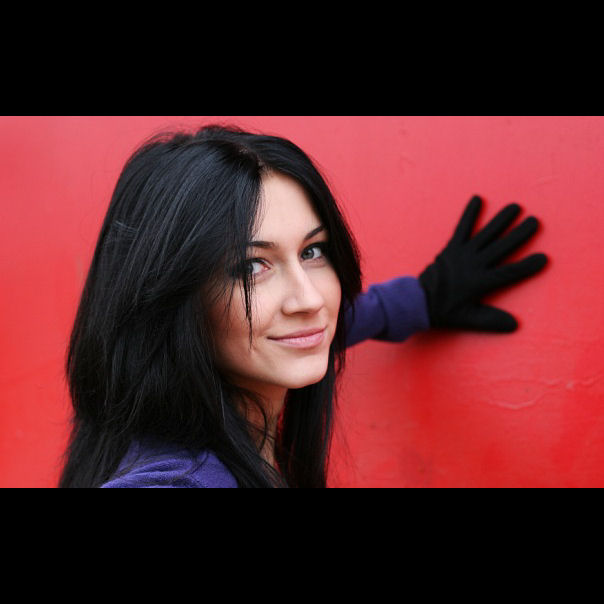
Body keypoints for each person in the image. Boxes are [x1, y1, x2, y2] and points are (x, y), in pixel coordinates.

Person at [58, 124, 548, 488]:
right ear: (171, 299)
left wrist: (416, 300)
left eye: (312, 251)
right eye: (252, 266)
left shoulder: (140, 410)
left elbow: (329, 320)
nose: (310, 300)